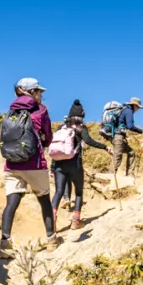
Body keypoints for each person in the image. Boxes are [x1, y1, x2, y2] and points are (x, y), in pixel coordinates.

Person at [0, 78, 61, 258]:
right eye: (39, 91)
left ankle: (4, 245)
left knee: (11, 204)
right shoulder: (41, 110)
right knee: (44, 200)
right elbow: (48, 136)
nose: (41, 95)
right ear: (31, 92)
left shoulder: (11, 111)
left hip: (11, 165)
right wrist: (43, 140)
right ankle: (51, 240)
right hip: (34, 163)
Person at [51, 99, 108, 231]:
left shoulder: (61, 127)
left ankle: (52, 220)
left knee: (58, 192)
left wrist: (52, 167)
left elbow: (55, 148)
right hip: (75, 163)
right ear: (81, 115)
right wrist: (105, 147)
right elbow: (89, 141)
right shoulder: (81, 127)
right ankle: (76, 222)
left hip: (59, 165)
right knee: (78, 193)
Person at [109, 97, 143, 176]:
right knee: (117, 157)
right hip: (118, 137)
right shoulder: (129, 111)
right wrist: (142, 131)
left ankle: (129, 175)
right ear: (135, 105)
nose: (138, 109)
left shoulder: (124, 110)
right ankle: (109, 177)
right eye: (138, 107)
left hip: (118, 137)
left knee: (131, 153)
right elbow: (130, 126)